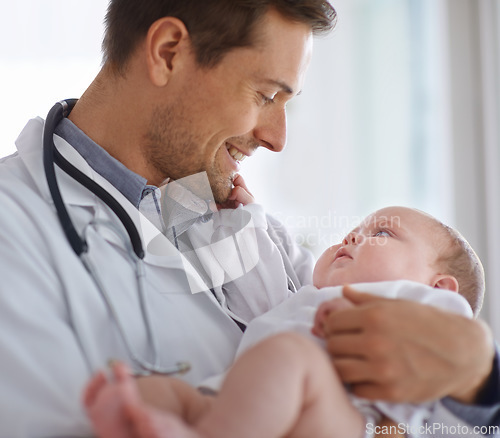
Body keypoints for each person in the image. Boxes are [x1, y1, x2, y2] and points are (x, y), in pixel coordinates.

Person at [0, 1, 498, 436]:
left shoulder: (241, 223)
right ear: (168, 51)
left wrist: (479, 385)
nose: (277, 138)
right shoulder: (15, 230)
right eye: (265, 96)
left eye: (287, 104)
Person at [82, 205, 483, 438]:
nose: (351, 238)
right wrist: (240, 219)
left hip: (338, 416)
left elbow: (457, 360)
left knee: (292, 356)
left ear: (439, 288)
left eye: (381, 232)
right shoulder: (306, 296)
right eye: (352, 230)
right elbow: (257, 291)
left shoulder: (434, 311)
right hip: (237, 402)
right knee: (160, 392)